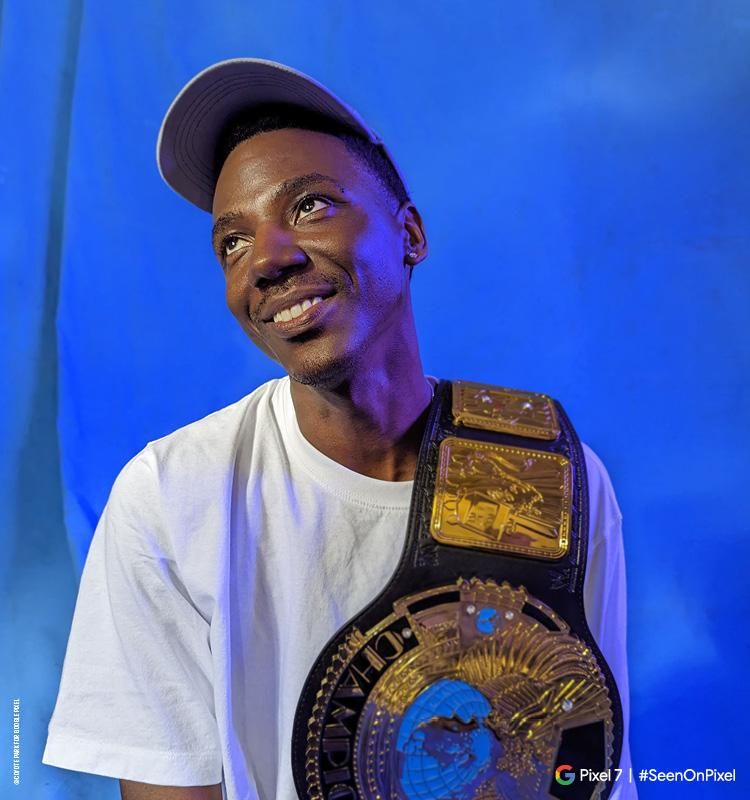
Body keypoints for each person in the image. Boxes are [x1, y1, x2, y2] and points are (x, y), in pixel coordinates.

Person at [43, 59, 635, 800]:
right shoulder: (172, 497)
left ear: (409, 233)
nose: (266, 260)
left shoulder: (542, 473)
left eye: (311, 205)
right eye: (232, 243)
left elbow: (588, 760)